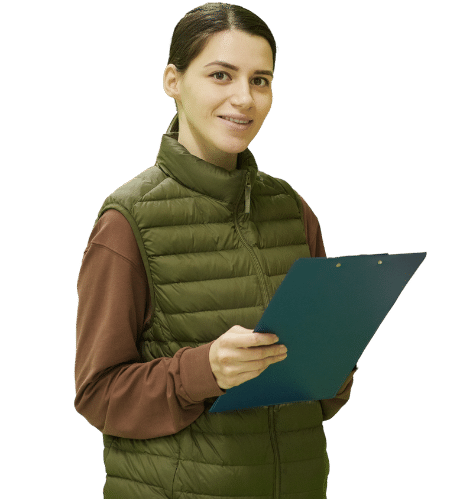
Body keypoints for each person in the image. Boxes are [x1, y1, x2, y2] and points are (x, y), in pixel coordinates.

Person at [74, 2, 358, 498]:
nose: (244, 98)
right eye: (221, 75)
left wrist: (335, 360)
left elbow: (323, 394)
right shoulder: (127, 221)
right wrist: (204, 371)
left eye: (260, 80)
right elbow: (99, 396)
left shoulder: (292, 209)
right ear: (173, 81)